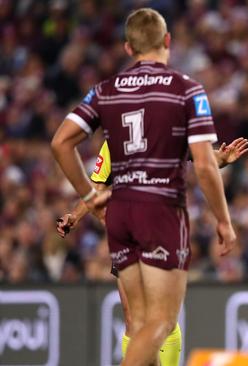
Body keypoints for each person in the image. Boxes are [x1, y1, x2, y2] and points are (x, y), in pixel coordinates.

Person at [50, 8, 237, 366]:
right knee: (161, 321)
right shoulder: (186, 89)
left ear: (127, 48)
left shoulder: (104, 91)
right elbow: (203, 163)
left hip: (119, 213)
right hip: (161, 210)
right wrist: (224, 220)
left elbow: (60, 143)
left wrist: (89, 197)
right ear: (167, 41)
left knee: (137, 322)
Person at [56, 137, 248, 365]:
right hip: (126, 234)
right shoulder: (113, 141)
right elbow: (97, 186)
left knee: (162, 317)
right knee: (132, 319)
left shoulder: (167, 131)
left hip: (162, 231)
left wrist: (222, 158)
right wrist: (74, 217)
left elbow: (204, 159)